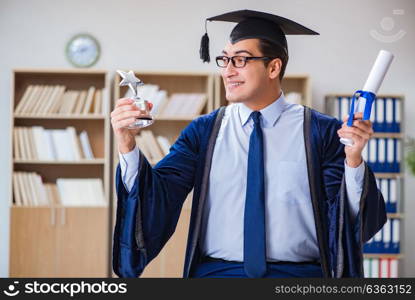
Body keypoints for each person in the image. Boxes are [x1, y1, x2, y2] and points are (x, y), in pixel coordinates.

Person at [111, 10, 386, 278]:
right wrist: (126, 144)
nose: (228, 71)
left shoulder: (320, 131)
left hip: (298, 277)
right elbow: (158, 196)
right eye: (224, 59)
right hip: (217, 275)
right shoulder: (203, 131)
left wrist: (353, 161)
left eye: (240, 60)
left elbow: (346, 220)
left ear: (273, 67)